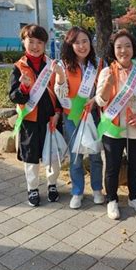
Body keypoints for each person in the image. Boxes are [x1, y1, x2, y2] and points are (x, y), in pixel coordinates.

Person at [95, 29, 136, 220]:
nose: (124, 50)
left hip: (135, 128)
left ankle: (134, 196)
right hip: (113, 129)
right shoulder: (107, 71)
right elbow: (100, 101)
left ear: (133, 48)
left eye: (127, 46)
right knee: (112, 166)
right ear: (113, 50)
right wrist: (107, 84)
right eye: (119, 47)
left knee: (135, 165)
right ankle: (112, 200)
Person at [9, 24, 62, 207]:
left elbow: (61, 94)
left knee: (52, 155)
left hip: (50, 120)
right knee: (31, 157)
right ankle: (32, 188)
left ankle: (52, 184)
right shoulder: (18, 68)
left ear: (45, 44)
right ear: (23, 42)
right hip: (30, 122)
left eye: (40, 42)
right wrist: (23, 87)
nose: (35, 46)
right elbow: (13, 96)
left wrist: (58, 113)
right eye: (31, 41)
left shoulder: (52, 65)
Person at [53, 27, 104, 209]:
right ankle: (77, 191)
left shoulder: (98, 64)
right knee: (76, 156)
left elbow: (103, 91)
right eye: (77, 42)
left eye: (85, 41)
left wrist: (95, 100)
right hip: (72, 117)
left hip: (93, 115)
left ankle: (97, 188)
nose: (82, 46)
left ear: (90, 43)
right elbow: (60, 94)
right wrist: (59, 76)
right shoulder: (63, 65)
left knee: (96, 154)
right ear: (70, 45)